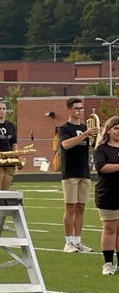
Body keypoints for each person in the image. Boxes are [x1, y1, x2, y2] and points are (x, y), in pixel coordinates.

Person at [58, 97, 97, 253]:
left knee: (81, 207)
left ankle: (78, 241)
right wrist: (85, 134)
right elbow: (66, 145)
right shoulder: (64, 128)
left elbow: (92, 147)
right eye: (76, 108)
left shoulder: (83, 126)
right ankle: (68, 242)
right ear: (69, 110)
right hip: (70, 172)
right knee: (70, 207)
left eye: (81, 108)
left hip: (84, 171)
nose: (79, 111)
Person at [94, 116, 119, 276]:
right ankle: (108, 263)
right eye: (116, 128)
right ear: (108, 130)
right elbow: (102, 167)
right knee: (110, 228)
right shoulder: (101, 149)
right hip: (108, 193)